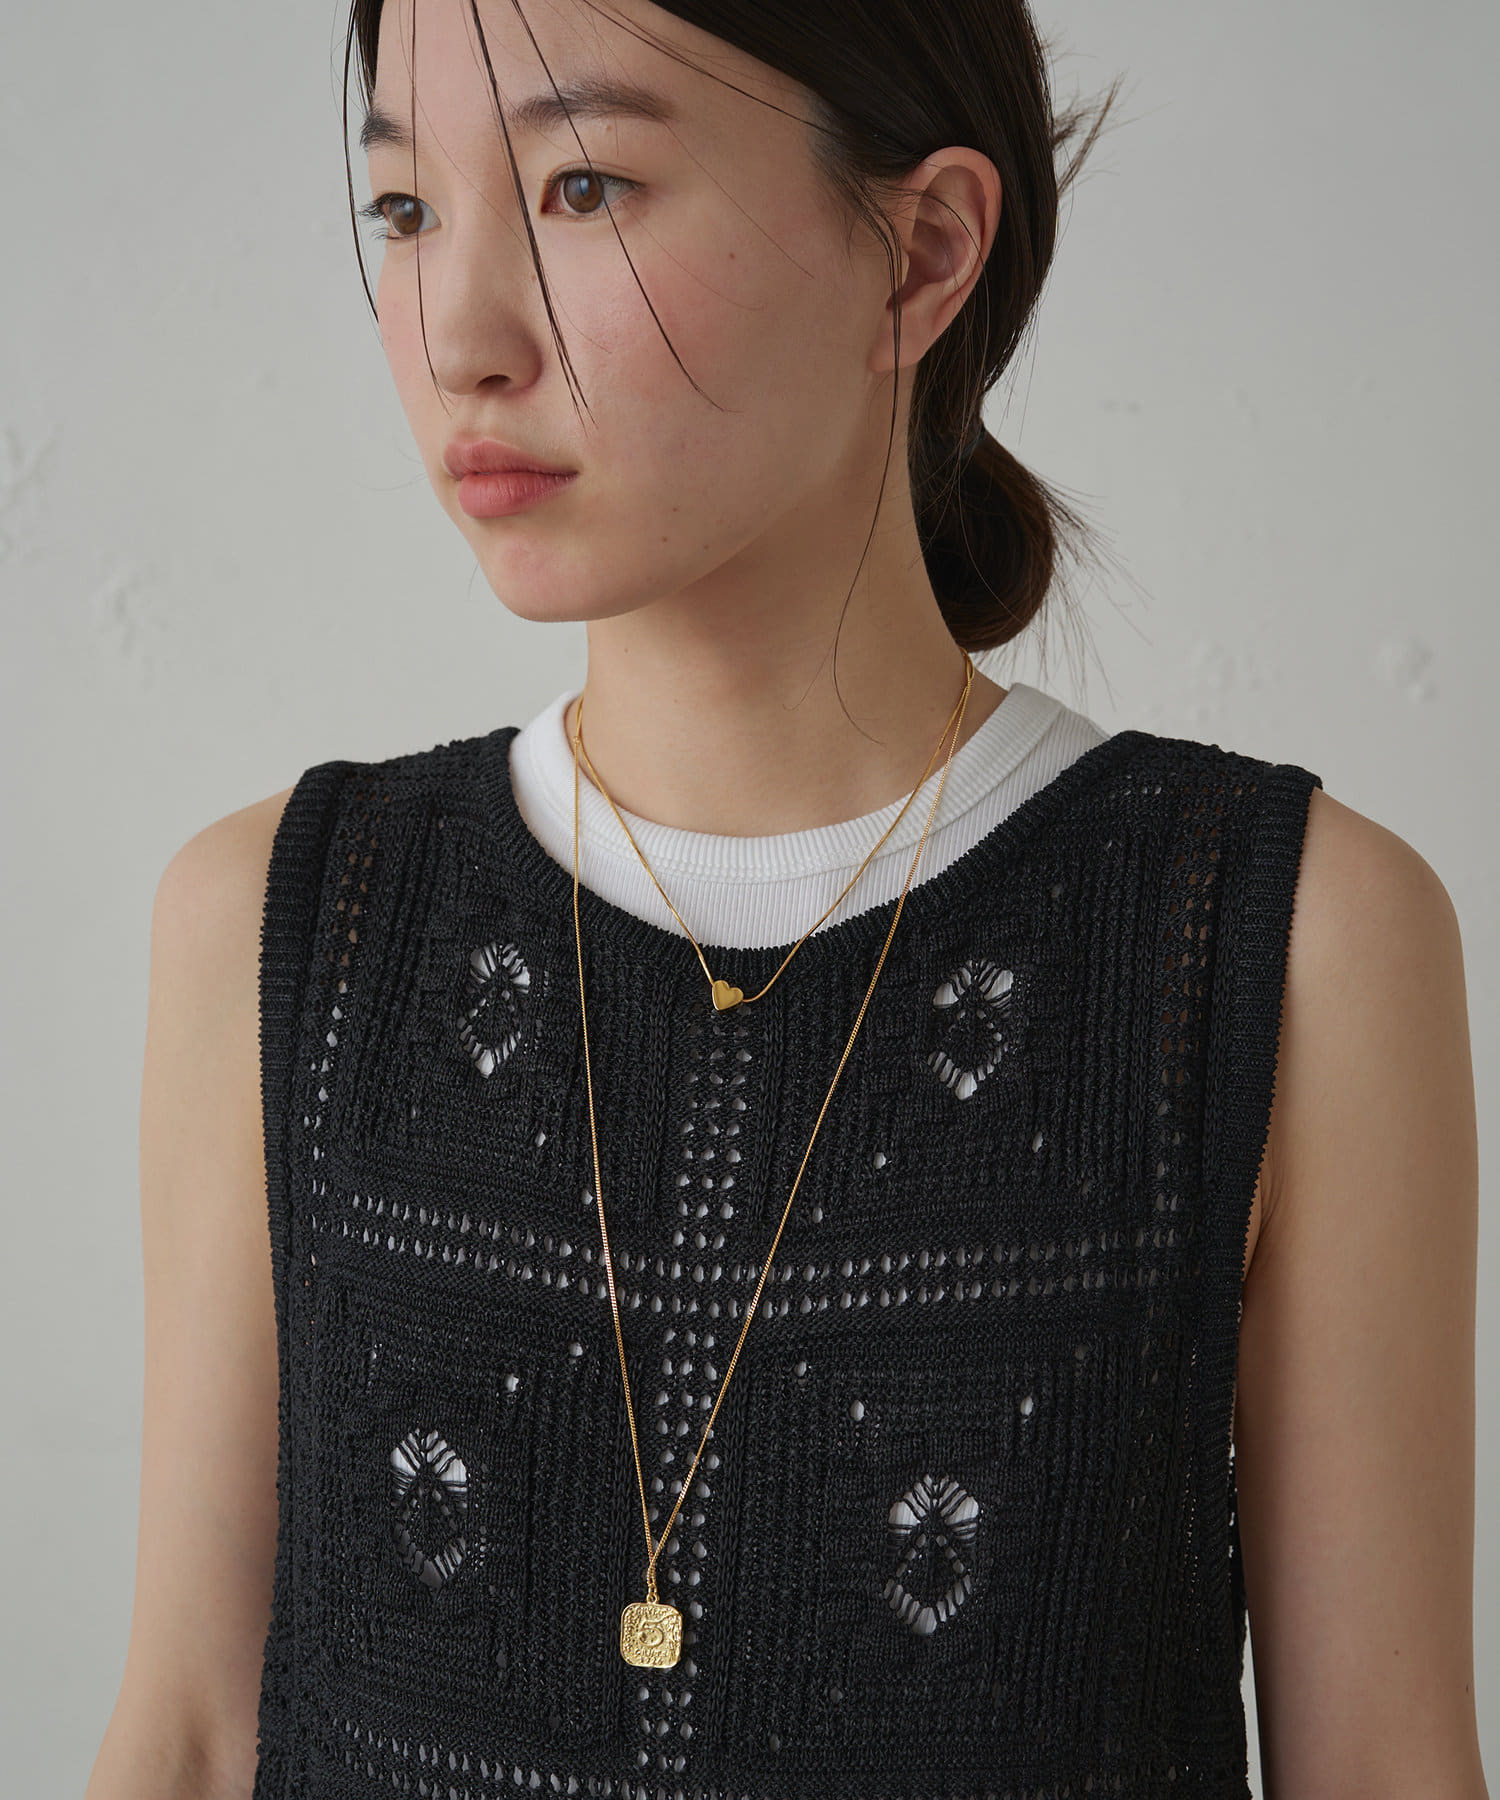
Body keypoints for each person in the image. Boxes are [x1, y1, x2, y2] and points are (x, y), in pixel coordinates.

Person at [86, 0, 1486, 1795]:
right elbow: (192, 1738)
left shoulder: (1280, 946)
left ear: (922, 251)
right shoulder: (284, 924)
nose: (460, 337)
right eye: (407, 210)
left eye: (584, 187)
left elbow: (1383, 1764)